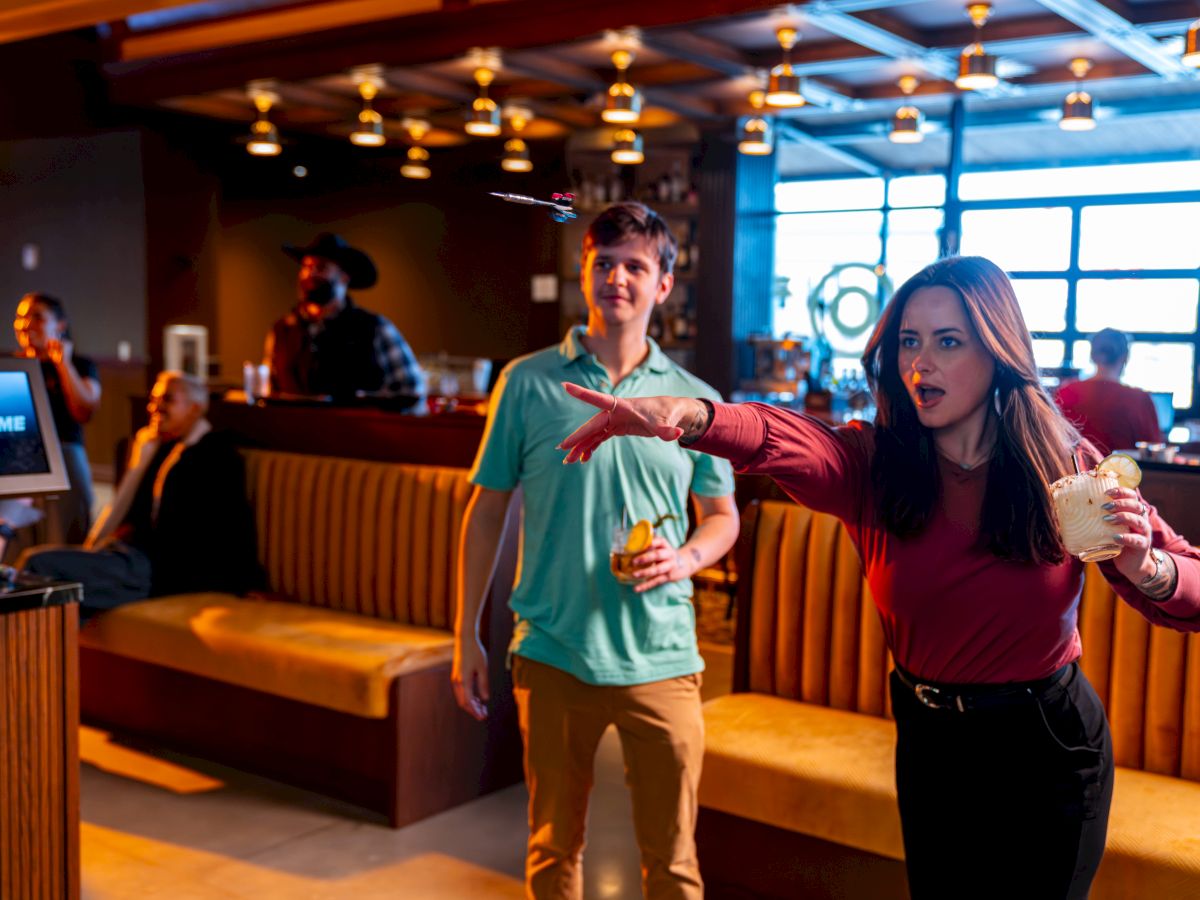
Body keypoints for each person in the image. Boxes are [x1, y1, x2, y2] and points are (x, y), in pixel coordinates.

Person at [558, 256, 1200, 900]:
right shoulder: (872, 463)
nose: (921, 364)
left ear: (998, 349)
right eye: (908, 343)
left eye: (949, 342)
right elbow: (780, 436)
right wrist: (692, 416)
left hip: (1047, 747)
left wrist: (1147, 567)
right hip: (930, 741)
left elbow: (1190, 583)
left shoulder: (1061, 464)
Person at [452, 203, 739, 899]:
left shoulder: (694, 399)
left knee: (673, 863)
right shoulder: (526, 381)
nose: (618, 277)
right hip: (553, 648)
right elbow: (486, 509)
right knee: (554, 851)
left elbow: (722, 517)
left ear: (663, 285)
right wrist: (465, 636)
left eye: (635, 265)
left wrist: (688, 558)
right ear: (584, 273)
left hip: (664, 654)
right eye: (603, 263)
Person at [19, 371, 260, 618]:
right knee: (58, 595)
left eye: (167, 400)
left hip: (155, 573)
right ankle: (50, 654)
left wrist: (247, 583)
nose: (155, 407)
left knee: (37, 565)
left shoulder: (215, 455)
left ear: (195, 409)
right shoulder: (161, 449)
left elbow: (235, 524)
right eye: (154, 400)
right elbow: (134, 511)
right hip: (126, 559)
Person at [263, 232, 426, 402]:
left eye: (321, 267)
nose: (309, 274)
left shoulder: (375, 328)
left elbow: (412, 391)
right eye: (306, 266)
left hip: (358, 427)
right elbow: (269, 391)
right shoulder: (281, 331)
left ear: (344, 277)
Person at [2, 293, 101, 557]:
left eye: (37, 317)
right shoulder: (9, 365)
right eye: (21, 317)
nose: (26, 324)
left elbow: (85, 410)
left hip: (65, 455)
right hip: (17, 461)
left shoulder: (80, 364)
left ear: (60, 325)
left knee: (63, 539)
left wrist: (63, 363)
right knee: (13, 540)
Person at [1056, 327, 1164, 454]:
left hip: (1071, 472)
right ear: (1125, 358)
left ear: (1092, 355)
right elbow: (1153, 451)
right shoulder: (1139, 400)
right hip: (1121, 473)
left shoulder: (1065, 393)